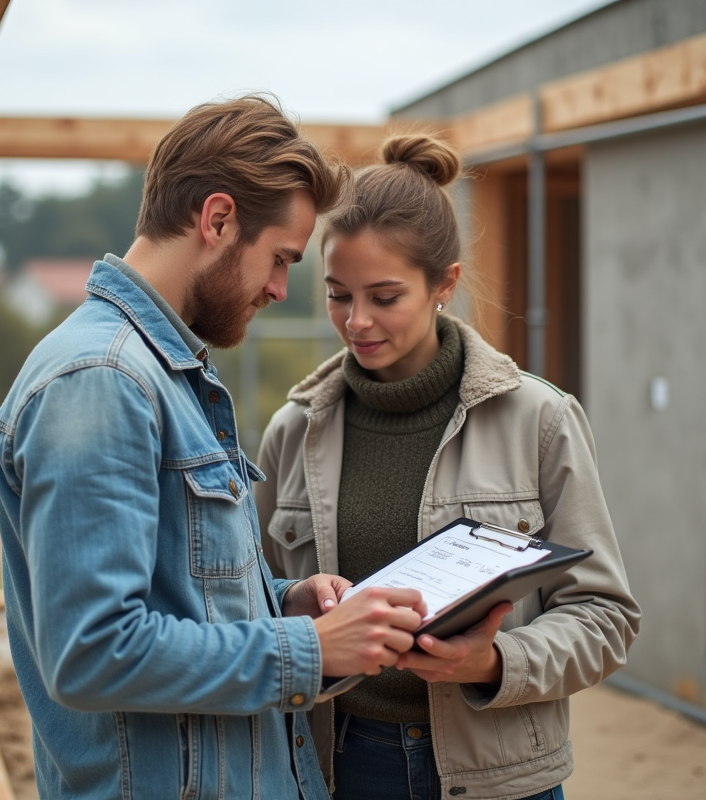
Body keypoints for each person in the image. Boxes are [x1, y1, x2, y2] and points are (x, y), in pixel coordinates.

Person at [0, 96, 428, 800]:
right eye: (280, 259)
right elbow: (93, 653)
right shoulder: (102, 380)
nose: (280, 289)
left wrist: (285, 604)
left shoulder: (164, 373)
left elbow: (178, 594)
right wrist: (310, 649)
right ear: (218, 219)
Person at [256, 134, 642, 800]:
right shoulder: (293, 431)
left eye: (384, 297)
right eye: (338, 295)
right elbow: (248, 603)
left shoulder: (540, 420)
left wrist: (493, 662)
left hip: (499, 775)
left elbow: (605, 618)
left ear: (446, 284)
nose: (357, 321)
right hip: (336, 767)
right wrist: (295, 603)